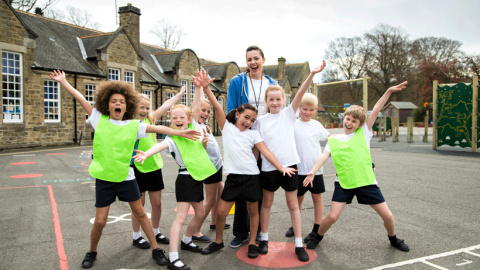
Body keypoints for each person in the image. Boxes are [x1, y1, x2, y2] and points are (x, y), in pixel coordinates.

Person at [49, 70, 200, 269]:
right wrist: (63, 82)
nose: (117, 104)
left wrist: (180, 132)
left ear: (127, 105)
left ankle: (156, 249)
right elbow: (79, 97)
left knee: (140, 212)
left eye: (121, 101)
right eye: (113, 101)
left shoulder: (133, 125)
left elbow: (160, 129)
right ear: (106, 104)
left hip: (127, 177)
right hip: (105, 178)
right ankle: (92, 251)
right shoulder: (98, 119)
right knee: (100, 221)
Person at [195, 70, 296, 259]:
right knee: (222, 211)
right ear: (238, 114)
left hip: (252, 177)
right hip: (233, 178)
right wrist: (206, 88)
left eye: (252, 120)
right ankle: (218, 241)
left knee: (253, 210)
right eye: (246, 117)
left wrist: (281, 167)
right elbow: (216, 106)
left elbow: (265, 151)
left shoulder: (254, 134)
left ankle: (252, 242)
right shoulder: (227, 128)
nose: (248, 122)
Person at [303, 82, 410, 252]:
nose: (350, 122)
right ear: (343, 118)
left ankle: (394, 239)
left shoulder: (364, 133)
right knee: (332, 216)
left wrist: (389, 91)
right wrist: (312, 172)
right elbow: (323, 156)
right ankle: (318, 236)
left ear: (360, 124)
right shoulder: (334, 140)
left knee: (388, 216)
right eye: (348, 118)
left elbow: (375, 109)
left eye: (354, 121)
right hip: (344, 183)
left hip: (366, 181)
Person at [252, 61, 326, 262]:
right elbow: (262, 148)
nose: (275, 102)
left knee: (293, 205)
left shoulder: (288, 115)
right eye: (271, 99)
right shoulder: (261, 121)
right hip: (270, 168)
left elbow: (301, 93)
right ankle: (264, 239)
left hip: (291, 167)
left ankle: (299, 244)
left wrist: (311, 74)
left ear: (284, 100)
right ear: (266, 101)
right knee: (266, 204)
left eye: (278, 99)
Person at [133, 104, 216, 270]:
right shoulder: (172, 138)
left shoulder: (195, 131)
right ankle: (173, 257)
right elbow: (160, 146)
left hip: (196, 177)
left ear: (189, 119)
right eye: (175, 118)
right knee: (180, 218)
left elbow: (198, 152)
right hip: (185, 179)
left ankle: (186, 240)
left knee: (200, 214)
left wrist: (205, 143)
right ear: (171, 121)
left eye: (182, 117)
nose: (178, 120)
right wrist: (147, 153)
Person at [226, 45, 277, 248]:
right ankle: (240, 231)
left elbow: (278, 110)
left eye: (256, 58)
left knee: (260, 190)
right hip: (245, 140)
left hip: (265, 139)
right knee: (241, 186)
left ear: (263, 60)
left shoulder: (272, 84)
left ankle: (259, 234)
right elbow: (231, 109)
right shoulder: (238, 81)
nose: (253, 62)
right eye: (249, 59)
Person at [130, 87, 186, 249]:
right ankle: (136, 236)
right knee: (138, 205)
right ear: (133, 106)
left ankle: (155, 231)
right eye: (141, 107)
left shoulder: (151, 118)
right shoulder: (129, 123)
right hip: (137, 168)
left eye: (147, 107)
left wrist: (179, 95)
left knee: (157, 204)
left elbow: (166, 105)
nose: (145, 110)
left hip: (154, 166)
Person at [284, 93, 330, 243]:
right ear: (299, 108)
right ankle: (294, 224)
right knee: (298, 199)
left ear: (315, 110)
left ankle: (317, 228)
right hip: (298, 169)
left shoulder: (317, 125)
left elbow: (329, 137)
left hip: (315, 170)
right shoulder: (293, 124)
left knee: (317, 198)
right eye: (304, 109)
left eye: (311, 110)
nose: (307, 112)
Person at [190, 72, 229, 244]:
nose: (204, 113)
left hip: (216, 165)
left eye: (207, 111)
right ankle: (195, 230)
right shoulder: (194, 125)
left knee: (221, 194)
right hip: (208, 167)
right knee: (211, 199)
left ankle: (214, 222)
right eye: (202, 110)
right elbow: (195, 108)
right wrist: (199, 88)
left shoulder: (205, 126)